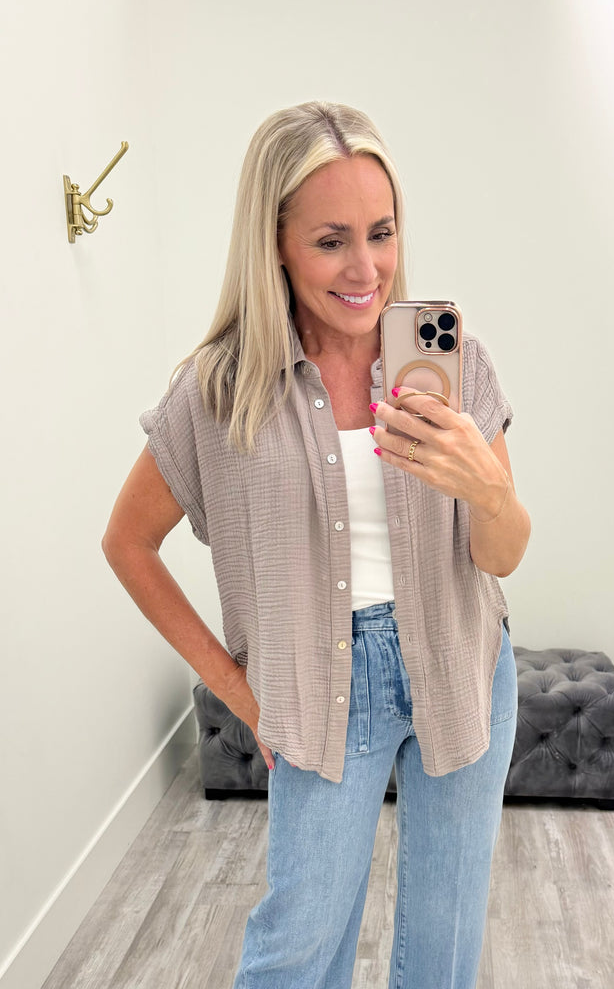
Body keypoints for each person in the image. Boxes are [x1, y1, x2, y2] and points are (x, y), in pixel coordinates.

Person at [102, 100, 531, 989]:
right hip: (316, 684)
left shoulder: (453, 361)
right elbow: (128, 544)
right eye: (331, 240)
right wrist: (239, 690)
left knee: (443, 952)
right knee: (295, 954)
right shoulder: (219, 389)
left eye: (381, 232)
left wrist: (484, 488)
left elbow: (501, 556)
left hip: (461, 659)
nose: (365, 268)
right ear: (276, 244)